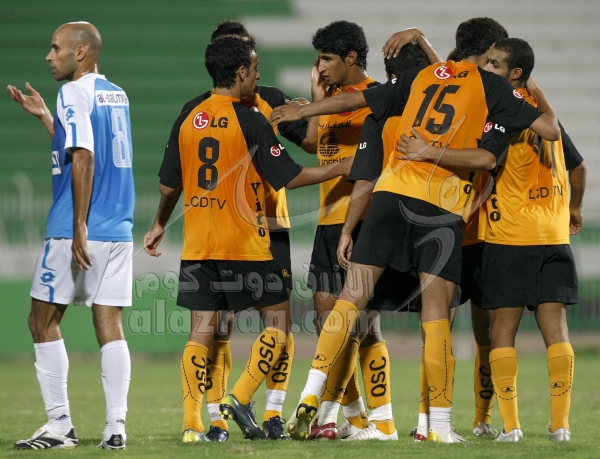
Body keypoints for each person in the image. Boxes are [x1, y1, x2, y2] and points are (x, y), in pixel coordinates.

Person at [270, 16, 560, 443]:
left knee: (351, 300)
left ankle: (312, 392)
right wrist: (524, 90)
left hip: (388, 195)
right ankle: (436, 426)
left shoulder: (423, 77)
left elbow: (361, 100)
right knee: (436, 314)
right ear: (489, 52)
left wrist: (304, 110)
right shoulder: (493, 88)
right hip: (439, 209)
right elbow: (542, 132)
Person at [143, 34, 353, 442]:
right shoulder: (251, 118)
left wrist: (159, 223)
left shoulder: (189, 115)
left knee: (202, 332)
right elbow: (290, 175)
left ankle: (193, 425)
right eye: (254, 69)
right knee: (278, 323)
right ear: (240, 72)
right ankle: (239, 398)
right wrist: (341, 167)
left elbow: (168, 186)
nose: (258, 75)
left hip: (198, 244)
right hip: (245, 241)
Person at [7, 22, 134, 450]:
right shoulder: (116, 94)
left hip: (76, 227)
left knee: (41, 320)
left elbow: (84, 155)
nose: (49, 56)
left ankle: (60, 425)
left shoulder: (74, 92)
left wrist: (78, 225)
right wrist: (48, 118)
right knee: (109, 323)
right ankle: (115, 428)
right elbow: (86, 146)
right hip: (118, 227)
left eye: (56, 48)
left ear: (81, 53)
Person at [333, 31, 440, 442]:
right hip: (438, 225)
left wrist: (347, 230)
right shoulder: (444, 111)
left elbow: (365, 178)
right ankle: (430, 423)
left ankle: (370, 419)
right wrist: (423, 39)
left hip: (383, 225)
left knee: (359, 322)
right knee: (435, 323)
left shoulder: (381, 112)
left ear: (392, 75)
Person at [477, 37, 585, 442]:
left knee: (502, 332)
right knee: (556, 332)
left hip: (510, 236)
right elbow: (578, 168)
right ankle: (560, 426)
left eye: (494, 64)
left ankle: (511, 427)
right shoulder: (542, 110)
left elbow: (486, 159)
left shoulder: (505, 111)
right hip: (554, 236)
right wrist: (574, 209)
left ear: (515, 73)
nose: (486, 68)